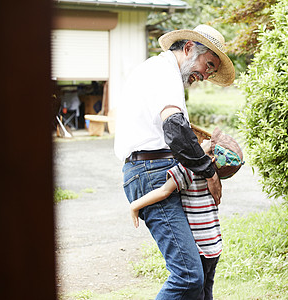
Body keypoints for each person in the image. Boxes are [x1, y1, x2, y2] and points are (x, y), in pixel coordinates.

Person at [114, 25, 236, 299]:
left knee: (201, 273)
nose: (205, 75)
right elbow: (175, 129)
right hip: (149, 171)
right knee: (188, 275)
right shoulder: (163, 71)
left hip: (155, 167)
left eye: (212, 71)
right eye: (209, 65)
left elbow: (177, 133)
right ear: (190, 48)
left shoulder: (160, 73)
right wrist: (209, 173)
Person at [129, 128, 243, 299]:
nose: (204, 141)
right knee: (205, 293)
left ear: (211, 156)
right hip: (214, 246)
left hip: (200, 248)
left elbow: (164, 191)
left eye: (209, 143)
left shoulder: (189, 170)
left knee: (192, 288)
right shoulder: (216, 178)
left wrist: (135, 205)